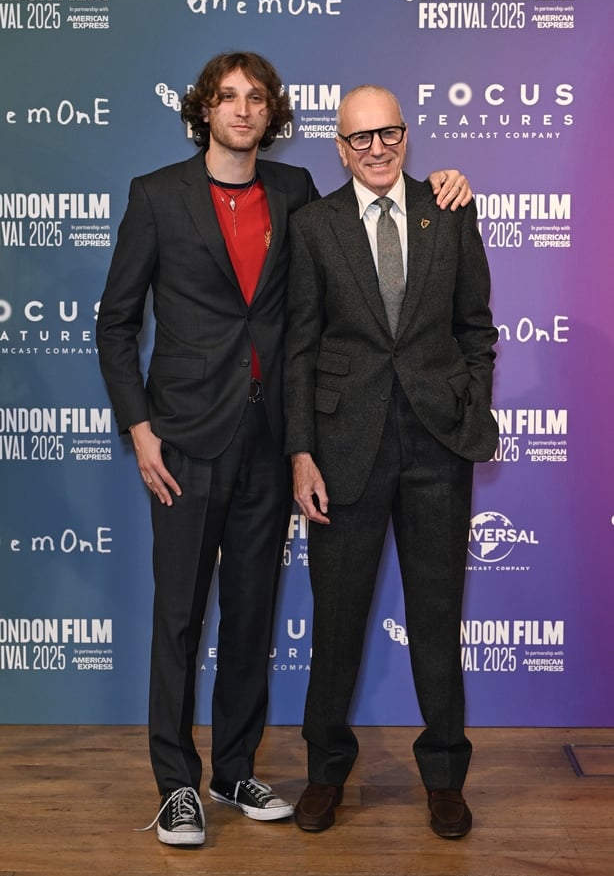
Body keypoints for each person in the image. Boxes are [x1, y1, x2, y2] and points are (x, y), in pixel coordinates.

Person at [96, 52, 473, 847]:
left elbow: (318, 314)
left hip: (273, 442)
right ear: (205, 109)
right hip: (187, 440)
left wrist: (451, 181)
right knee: (178, 618)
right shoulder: (157, 196)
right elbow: (116, 323)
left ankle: (233, 769)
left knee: (251, 616)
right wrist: (140, 426)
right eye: (227, 97)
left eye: (255, 97)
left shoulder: (297, 196)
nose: (241, 109)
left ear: (273, 115)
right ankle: (177, 786)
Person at [284, 85, 499, 839]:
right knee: (336, 622)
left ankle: (444, 775)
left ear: (406, 135)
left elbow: (477, 326)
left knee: (438, 620)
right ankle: (323, 773)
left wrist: (468, 403)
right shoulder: (313, 226)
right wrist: (302, 451)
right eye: (360, 138)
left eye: (389, 133)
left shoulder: (450, 208)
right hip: (344, 451)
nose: (377, 148)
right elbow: (299, 347)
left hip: (437, 447)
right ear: (339, 148)